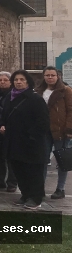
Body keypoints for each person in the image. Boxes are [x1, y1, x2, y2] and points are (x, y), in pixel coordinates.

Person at [1, 70, 50, 210]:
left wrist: (31, 136)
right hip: (14, 142)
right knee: (19, 171)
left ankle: (36, 198)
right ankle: (25, 194)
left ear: (28, 81)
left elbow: (43, 122)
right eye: (16, 79)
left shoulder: (35, 99)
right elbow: (5, 116)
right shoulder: (10, 97)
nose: (18, 82)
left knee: (33, 172)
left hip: (30, 143)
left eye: (22, 79)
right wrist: (2, 126)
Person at [34, 66, 72, 199]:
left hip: (61, 131)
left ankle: (60, 189)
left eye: (52, 75)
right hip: (44, 131)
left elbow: (70, 110)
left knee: (62, 161)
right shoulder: (38, 91)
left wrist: (69, 129)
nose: (50, 77)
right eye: (47, 75)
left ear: (58, 76)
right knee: (42, 160)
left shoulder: (65, 90)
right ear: (43, 77)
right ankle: (40, 188)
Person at [0, 72, 16, 192]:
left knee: (10, 157)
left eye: (5, 80)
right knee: (0, 157)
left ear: (10, 81)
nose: (2, 82)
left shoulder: (13, 95)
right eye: (0, 80)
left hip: (9, 129)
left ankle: (12, 182)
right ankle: (0, 180)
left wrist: (6, 125)